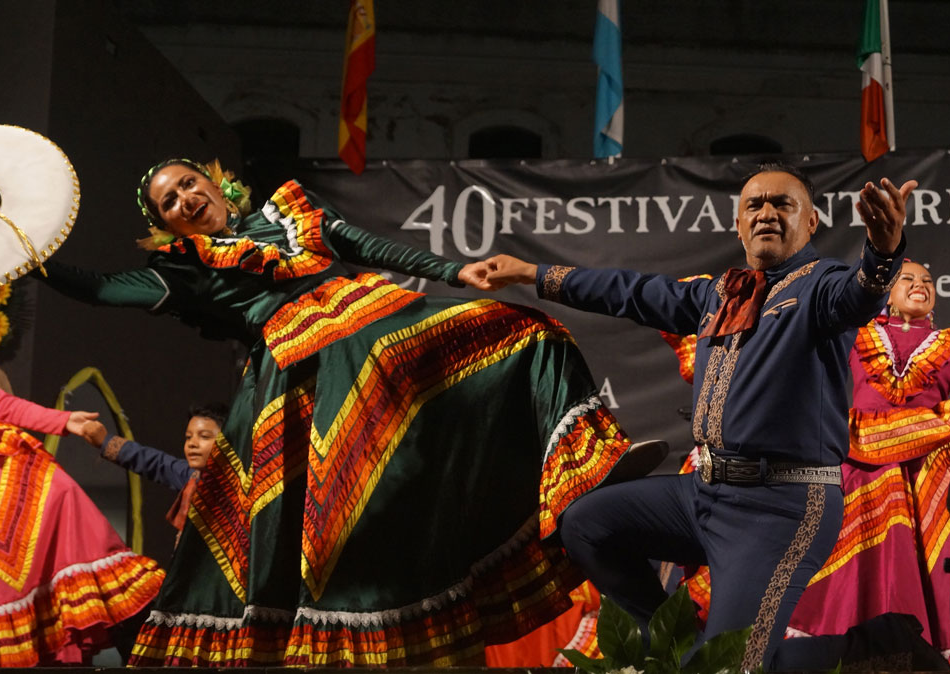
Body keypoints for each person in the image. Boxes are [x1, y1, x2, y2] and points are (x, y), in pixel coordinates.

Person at [36, 159, 639, 666]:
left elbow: (366, 245)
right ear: (165, 225)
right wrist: (29, 260)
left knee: (527, 329)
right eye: (169, 202)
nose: (186, 199)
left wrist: (454, 269)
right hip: (303, 373)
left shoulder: (289, 215)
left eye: (190, 184)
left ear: (217, 183)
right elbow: (101, 287)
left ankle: (586, 472)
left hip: (374, 323)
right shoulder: (186, 268)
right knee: (338, 521)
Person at [468, 163, 917, 670]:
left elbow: (860, 294)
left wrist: (881, 255)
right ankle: (678, 644)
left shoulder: (822, 286)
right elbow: (628, 293)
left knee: (726, 667)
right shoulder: (719, 294)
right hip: (705, 494)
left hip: (783, 508)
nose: (767, 213)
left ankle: (874, 649)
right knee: (584, 524)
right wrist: (531, 273)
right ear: (738, 223)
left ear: (811, 222)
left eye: (782, 204)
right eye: (755, 204)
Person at [782, 260, 950, 657]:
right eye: (907, 279)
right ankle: (842, 648)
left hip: (923, 473)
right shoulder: (855, 333)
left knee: (922, 566)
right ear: (886, 293)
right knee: (845, 566)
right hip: (855, 465)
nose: (920, 285)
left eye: (928, 280)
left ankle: (918, 651)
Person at [0, 354, 165, 668]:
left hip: (10, 468)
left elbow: (6, 405)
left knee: (69, 511)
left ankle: (137, 631)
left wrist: (63, 421)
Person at [80, 403, 228, 531]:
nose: (192, 443)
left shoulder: (242, 487)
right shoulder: (192, 478)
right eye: (188, 437)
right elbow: (156, 462)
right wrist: (105, 441)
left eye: (204, 436)